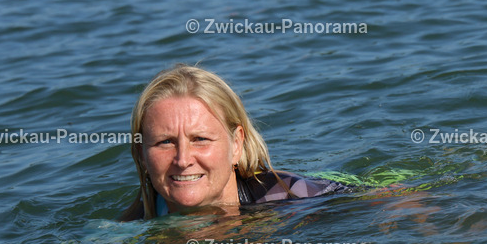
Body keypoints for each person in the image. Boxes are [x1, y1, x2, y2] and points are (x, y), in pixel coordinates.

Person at [119, 64, 350, 221]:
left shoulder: (294, 199)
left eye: (200, 139)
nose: (182, 160)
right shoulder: (140, 219)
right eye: (165, 142)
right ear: (142, 154)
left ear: (236, 144)